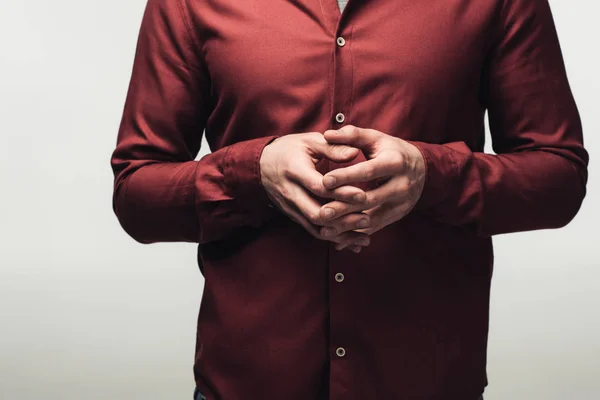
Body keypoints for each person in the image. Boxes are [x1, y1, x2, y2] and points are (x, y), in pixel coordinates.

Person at [110, 0, 588, 399]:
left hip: (428, 380)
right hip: (245, 382)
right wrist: (253, 173)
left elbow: (559, 176)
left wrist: (431, 175)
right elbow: (137, 193)